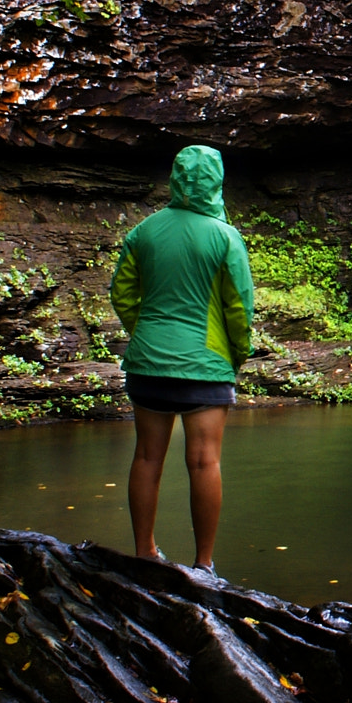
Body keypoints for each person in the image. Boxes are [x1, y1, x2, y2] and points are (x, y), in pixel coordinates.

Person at [110, 145, 255, 575]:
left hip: (147, 365)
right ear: (217, 181)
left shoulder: (143, 232)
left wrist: (146, 335)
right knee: (204, 461)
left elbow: (121, 294)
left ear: (174, 178)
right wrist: (236, 356)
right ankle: (204, 565)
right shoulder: (225, 237)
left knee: (147, 458)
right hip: (205, 368)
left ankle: (144, 554)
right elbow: (238, 308)